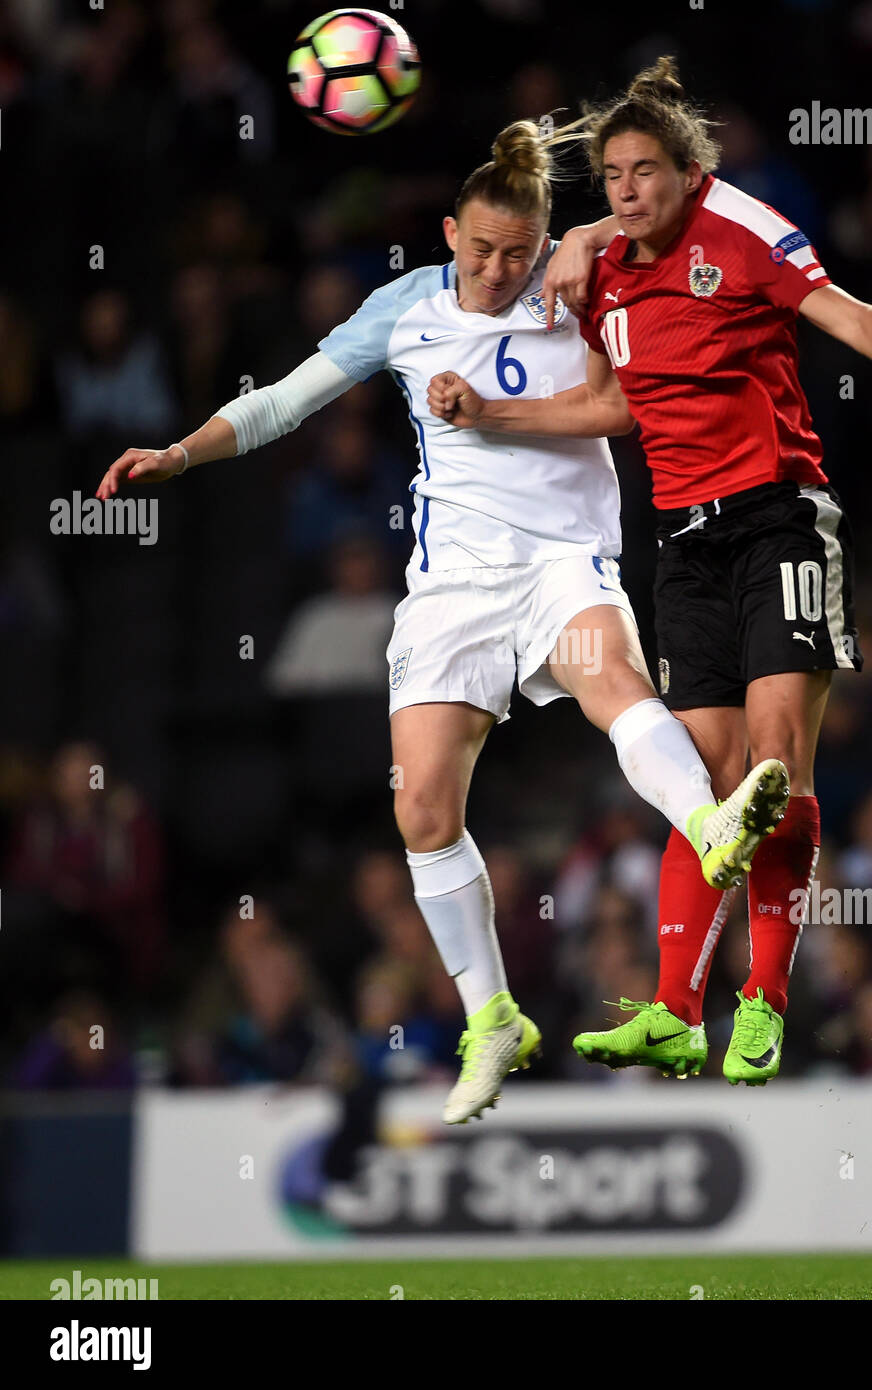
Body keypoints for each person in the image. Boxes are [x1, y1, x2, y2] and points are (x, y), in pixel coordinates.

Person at [96, 119, 789, 1123]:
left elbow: (677, 214)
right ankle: (491, 1015)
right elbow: (285, 402)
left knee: (615, 685)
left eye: (521, 249)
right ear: (447, 231)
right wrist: (177, 454)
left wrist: (596, 236)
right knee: (421, 808)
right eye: (480, 248)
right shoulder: (404, 308)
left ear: (545, 236)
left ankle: (710, 822)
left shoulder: (583, 278)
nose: (500, 268)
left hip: (564, 560)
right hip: (454, 586)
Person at [428, 59, 872, 1086]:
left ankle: (765, 1001)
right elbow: (619, 404)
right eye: (611, 176)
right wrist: (494, 415)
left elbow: (828, 301)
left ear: (686, 170)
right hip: (682, 545)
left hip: (779, 520)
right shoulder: (603, 264)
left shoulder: (739, 229)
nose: (625, 191)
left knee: (776, 766)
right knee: (700, 788)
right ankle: (672, 1010)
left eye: (644, 172)